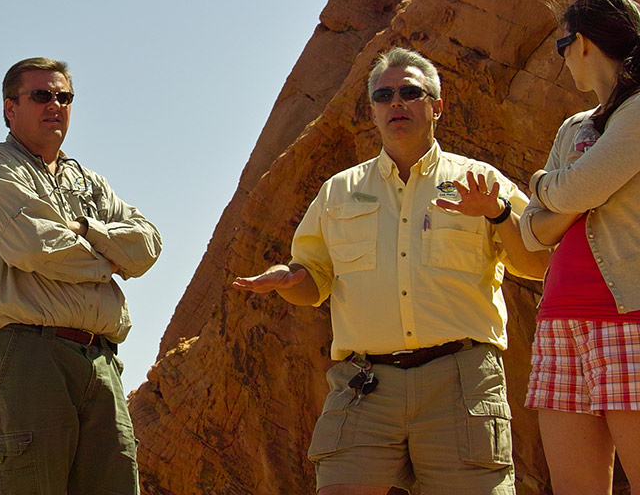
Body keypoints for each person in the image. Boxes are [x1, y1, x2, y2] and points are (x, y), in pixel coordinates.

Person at [233, 47, 550, 495]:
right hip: (365, 387)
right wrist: (289, 280)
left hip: (459, 383)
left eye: (410, 92)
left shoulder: (478, 180)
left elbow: (538, 264)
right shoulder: (338, 191)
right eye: (384, 95)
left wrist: (498, 213)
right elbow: (313, 281)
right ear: (373, 112)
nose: (396, 102)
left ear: (436, 107)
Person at [0, 56, 162, 495]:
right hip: (28, 353)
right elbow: (36, 247)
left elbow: (147, 246)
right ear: (10, 107)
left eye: (64, 97)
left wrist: (87, 230)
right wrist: (110, 260)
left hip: (101, 358)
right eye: (41, 95)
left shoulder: (89, 182)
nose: (56, 105)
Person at [521, 0, 640, 493]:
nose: (563, 58)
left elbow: (572, 191)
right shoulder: (574, 127)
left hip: (627, 317)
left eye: (562, 45)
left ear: (584, 43)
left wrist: (542, 184)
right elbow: (532, 230)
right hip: (559, 320)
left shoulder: (639, 110)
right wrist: (569, 195)